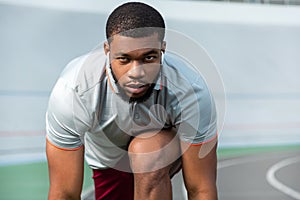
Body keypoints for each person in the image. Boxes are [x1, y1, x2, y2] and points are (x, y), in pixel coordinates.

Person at [46, 2, 218, 200]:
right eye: (124, 59)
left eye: (148, 58)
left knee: (147, 153)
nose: (136, 73)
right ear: (107, 51)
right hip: (107, 162)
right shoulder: (74, 90)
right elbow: (64, 193)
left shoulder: (190, 91)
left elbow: (201, 189)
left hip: (160, 152)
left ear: (163, 49)